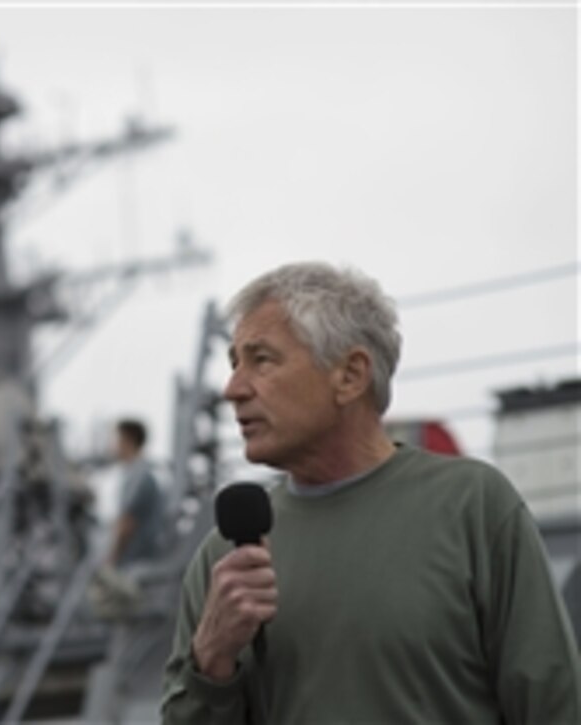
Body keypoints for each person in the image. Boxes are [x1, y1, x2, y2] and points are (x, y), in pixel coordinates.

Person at [161, 262, 581, 723]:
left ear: (350, 375)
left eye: (261, 360)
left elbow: (553, 707)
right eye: (234, 363)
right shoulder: (225, 558)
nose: (233, 389)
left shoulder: (473, 507)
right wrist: (211, 660)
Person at [89, 418, 164, 618]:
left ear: (127, 440)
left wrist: (111, 561)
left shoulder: (139, 476)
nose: (113, 446)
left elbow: (127, 522)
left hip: (134, 566)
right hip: (135, 564)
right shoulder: (139, 474)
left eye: (116, 439)